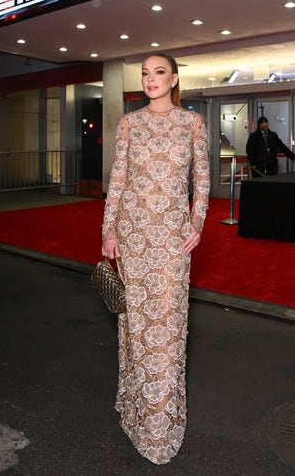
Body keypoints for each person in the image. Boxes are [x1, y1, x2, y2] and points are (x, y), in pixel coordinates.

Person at [101, 52, 210, 465]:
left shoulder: (192, 123)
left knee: (166, 325)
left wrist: (196, 224)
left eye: (158, 72)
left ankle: (160, 425)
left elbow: (201, 178)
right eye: (145, 73)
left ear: (174, 78)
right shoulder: (129, 123)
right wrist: (108, 230)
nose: (150, 79)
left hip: (171, 239)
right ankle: (133, 407)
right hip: (131, 235)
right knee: (134, 321)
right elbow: (118, 178)